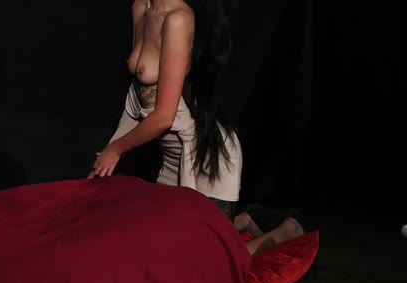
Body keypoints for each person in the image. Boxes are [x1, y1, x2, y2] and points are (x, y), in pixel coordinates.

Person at [89, 0, 303, 256]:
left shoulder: (178, 19)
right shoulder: (141, 8)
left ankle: (286, 231)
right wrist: (105, 160)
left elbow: (164, 117)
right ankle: (240, 222)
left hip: (204, 158)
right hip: (173, 161)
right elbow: (136, 103)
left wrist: (116, 149)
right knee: (159, 250)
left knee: (202, 264)